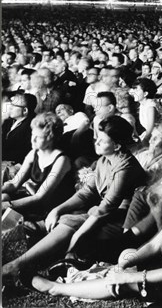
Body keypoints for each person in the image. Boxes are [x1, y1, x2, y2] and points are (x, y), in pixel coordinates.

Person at [32, 158, 162, 303]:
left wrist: (131, 277)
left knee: (128, 283)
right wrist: (132, 260)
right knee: (127, 258)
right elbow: (156, 243)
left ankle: (55, 288)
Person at [2, 116, 146, 279]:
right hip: (104, 214)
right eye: (96, 138)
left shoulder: (125, 168)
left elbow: (106, 208)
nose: (96, 142)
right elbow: (86, 193)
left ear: (117, 145)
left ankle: (17, 264)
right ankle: (36, 240)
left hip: (123, 221)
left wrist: (77, 235)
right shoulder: (104, 160)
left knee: (70, 222)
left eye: (102, 140)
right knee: (67, 217)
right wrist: (57, 209)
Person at [2, 112, 73, 218]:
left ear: (51, 138)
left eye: (38, 137)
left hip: (48, 206)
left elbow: (41, 197)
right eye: (32, 135)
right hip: (33, 197)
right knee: (3, 196)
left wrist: (6, 205)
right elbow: (14, 184)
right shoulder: (34, 153)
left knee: (4, 205)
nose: (33, 140)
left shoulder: (62, 160)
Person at [1, 92, 37, 163]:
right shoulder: (8, 121)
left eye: (14, 105)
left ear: (25, 110)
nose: (10, 108)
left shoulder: (32, 126)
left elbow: (23, 153)